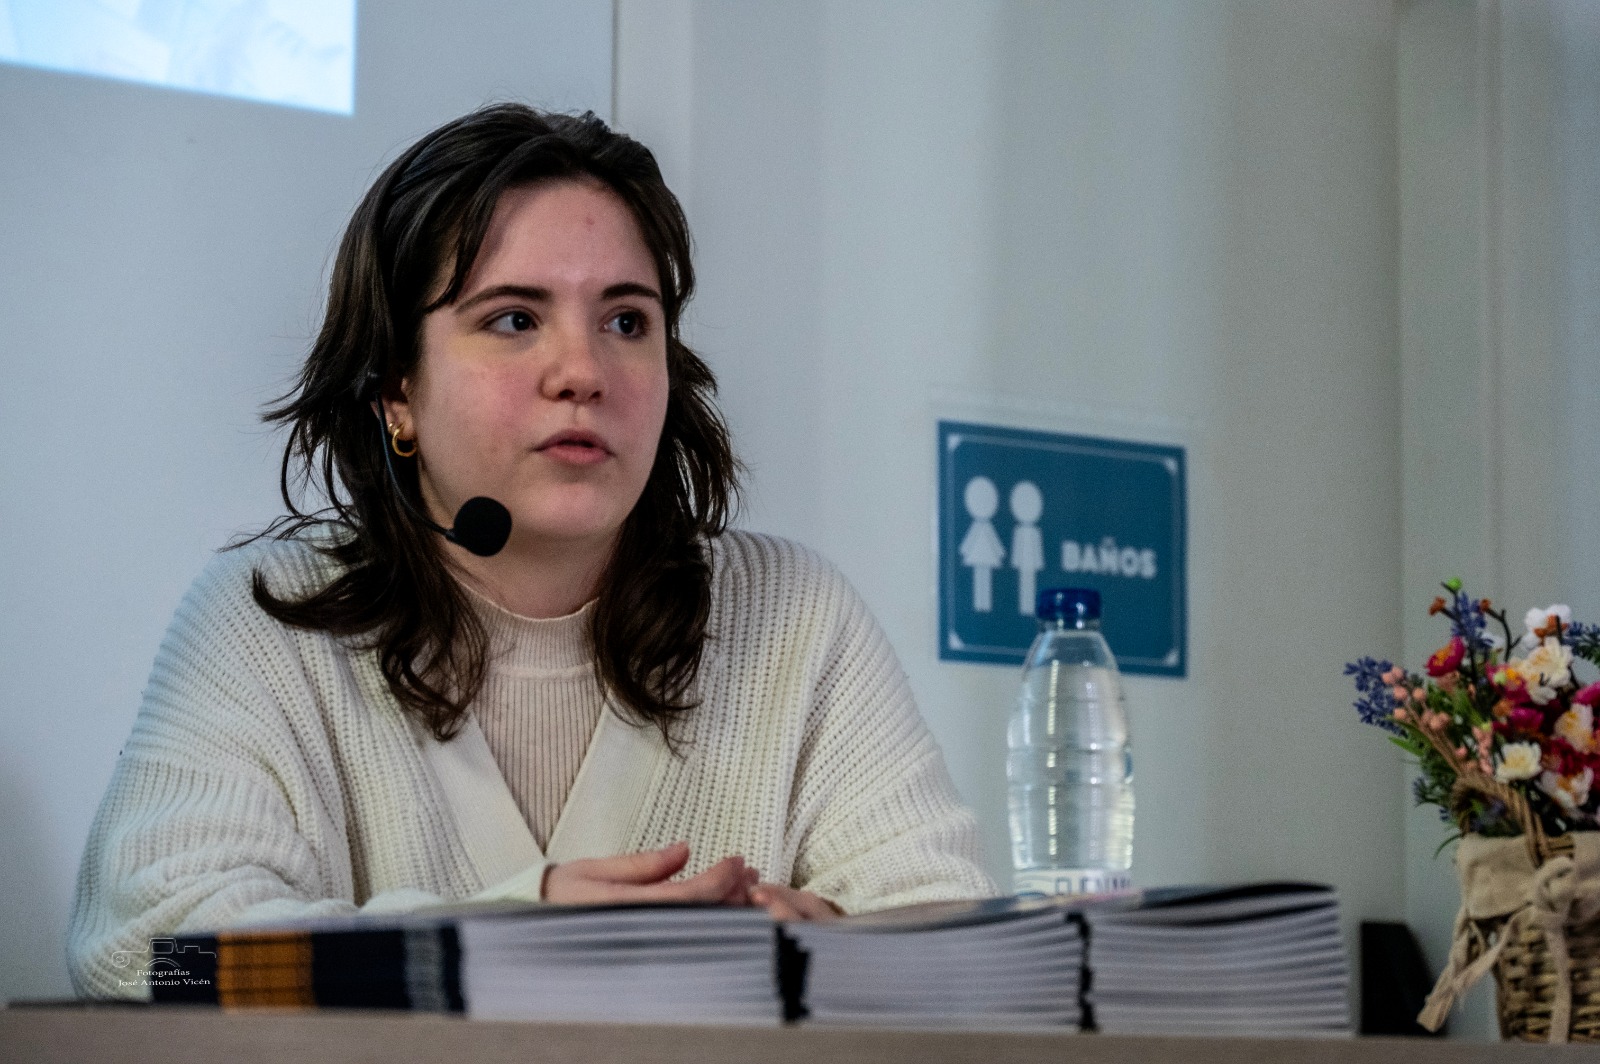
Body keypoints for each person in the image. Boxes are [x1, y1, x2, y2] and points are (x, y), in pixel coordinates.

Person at [66, 104, 994, 1000]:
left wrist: (830, 957)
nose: (583, 372)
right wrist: (508, 933)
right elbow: (150, 963)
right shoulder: (265, 622)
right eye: (514, 319)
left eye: (626, 321)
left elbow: (969, 958)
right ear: (395, 390)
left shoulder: (796, 615)